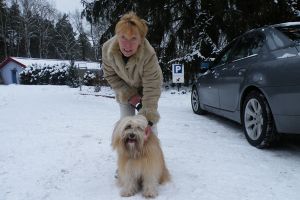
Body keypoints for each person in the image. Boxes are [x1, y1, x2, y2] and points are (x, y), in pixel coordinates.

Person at [102, 11, 163, 138]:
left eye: (133, 39)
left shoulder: (149, 55)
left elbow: (152, 86)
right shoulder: (108, 50)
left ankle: (152, 155)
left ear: (141, 40)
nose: (127, 45)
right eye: (123, 37)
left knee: (149, 127)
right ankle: (126, 154)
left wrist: (148, 120)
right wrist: (129, 94)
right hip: (124, 90)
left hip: (146, 91)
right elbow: (110, 76)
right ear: (117, 36)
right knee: (126, 123)